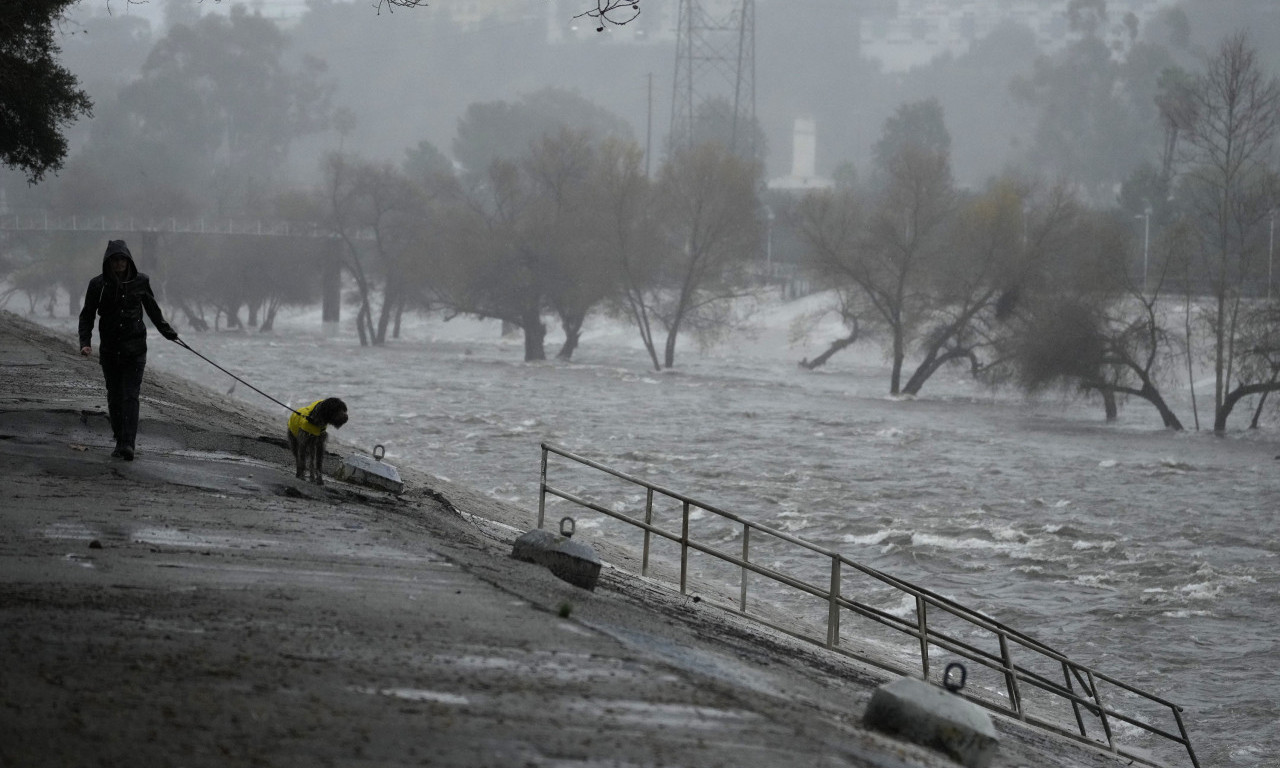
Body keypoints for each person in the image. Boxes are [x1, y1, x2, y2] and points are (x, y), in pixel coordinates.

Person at [78, 239, 180, 460]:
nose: (119, 264)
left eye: (122, 260)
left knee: (130, 397)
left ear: (128, 260)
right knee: (115, 397)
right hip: (110, 350)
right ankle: (119, 439)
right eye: (115, 261)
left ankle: (128, 444)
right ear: (108, 262)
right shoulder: (98, 285)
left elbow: (153, 309)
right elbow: (87, 315)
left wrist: (168, 332)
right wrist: (85, 342)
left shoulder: (141, 281)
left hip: (135, 350)